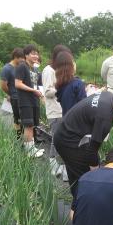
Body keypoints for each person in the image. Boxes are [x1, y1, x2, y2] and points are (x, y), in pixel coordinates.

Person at [53, 89, 113, 206]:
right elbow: (92, 151)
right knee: (85, 181)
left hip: (65, 134)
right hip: (69, 142)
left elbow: (92, 148)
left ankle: (81, 206)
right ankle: (82, 210)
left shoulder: (108, 96)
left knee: (79, 177)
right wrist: (97, 174)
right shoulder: (105, 117)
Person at [42, 45, 71, 176]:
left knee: (64, 139)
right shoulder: (49, 70)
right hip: (55, 111)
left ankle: (61, 165)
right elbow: (47, 92)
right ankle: (53, 164)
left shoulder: (60, 71)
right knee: (56, 138)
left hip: (63, 110)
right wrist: (63, 89)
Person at [15, 44, 44, 157]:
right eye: (33, 53)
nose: (35, 56)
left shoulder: (35, 69)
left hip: (34, 100)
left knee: (32, 125)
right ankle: (29, 151)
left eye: (37, 53)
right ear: (26, 55)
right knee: (28, 125)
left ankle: (32, 148)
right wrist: (32, 90)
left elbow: (38, 85)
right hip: (25, 100)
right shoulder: (22, 67)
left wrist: (40, 95)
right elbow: (17, 83)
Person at [0, 48, 25, 139]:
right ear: (16, 57)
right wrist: (10, 93)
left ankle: (25, 136)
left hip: (23, 97)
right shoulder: (7, 69)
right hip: (15, 97)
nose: (23, 60)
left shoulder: (19, 67)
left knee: (24, 118)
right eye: (22, 58)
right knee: (17, 119)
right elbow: (3, 85)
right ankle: (18, 137)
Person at [55, 51, 87, 116]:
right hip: (77, 122)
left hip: (66, 121)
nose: (75, 63)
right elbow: (84, 106)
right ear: (70, 65)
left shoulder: (60, 84)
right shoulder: (77, 83)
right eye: (73, 61)